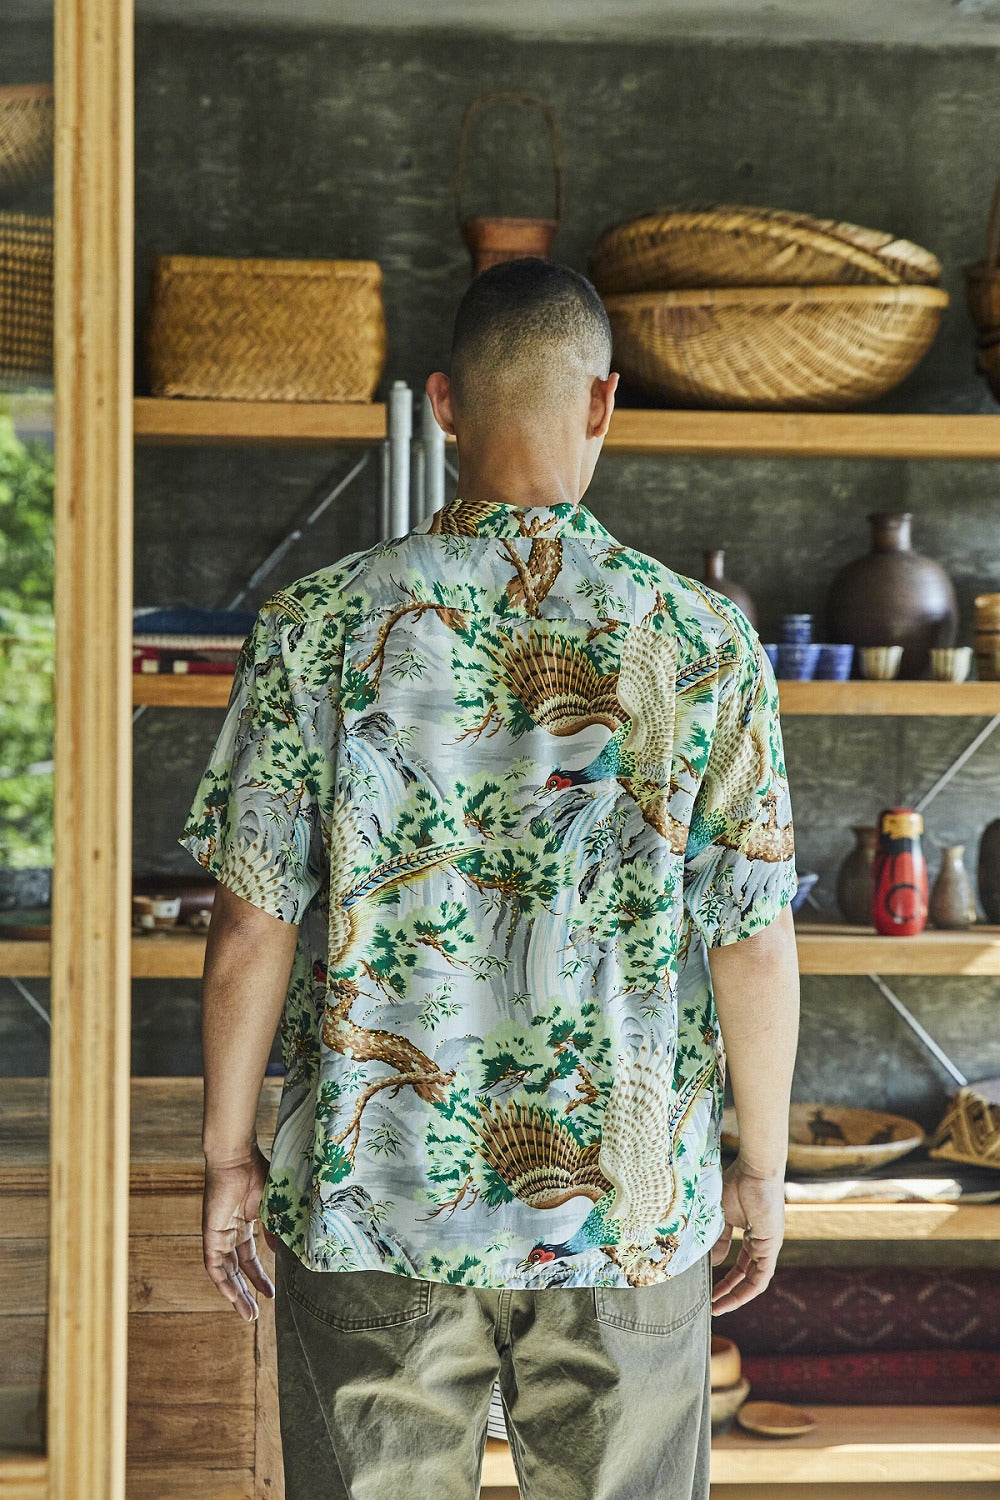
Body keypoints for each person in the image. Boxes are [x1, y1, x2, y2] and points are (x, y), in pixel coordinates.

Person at [179, 257, 800, 1500]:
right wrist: (761, 1170)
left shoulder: (316, 625)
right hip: (623, 1213)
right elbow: (751, 938)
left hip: (373, 1200)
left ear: (444, 404)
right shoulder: (701, 638)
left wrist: (229, 1156)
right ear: (603, 400)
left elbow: (250, 925)